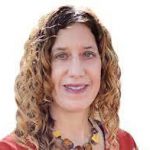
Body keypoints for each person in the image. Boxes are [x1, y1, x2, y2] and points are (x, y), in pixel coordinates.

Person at [0, 5, 137, 150]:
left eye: (88, 54)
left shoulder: (124, 143)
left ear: (103, 65)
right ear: (41, 69)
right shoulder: (12, 147)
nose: (76, 71)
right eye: (61, 56)